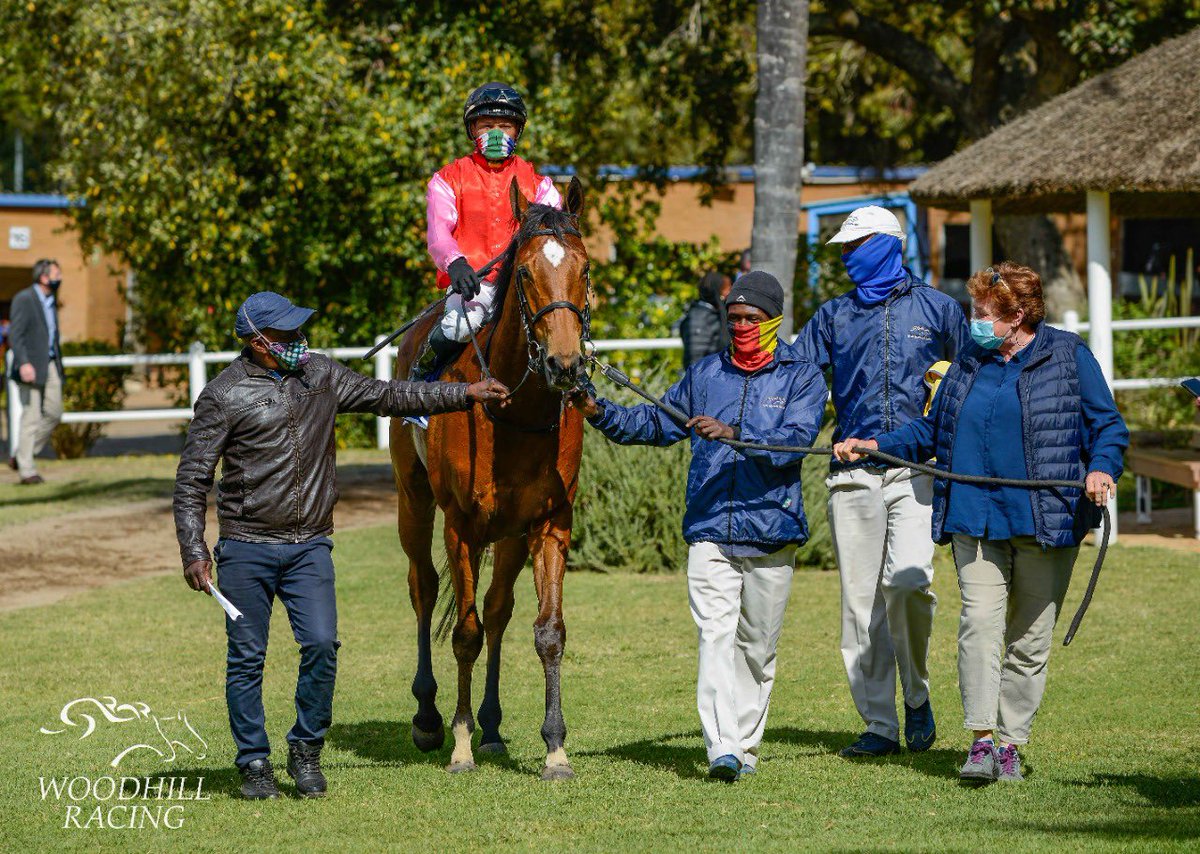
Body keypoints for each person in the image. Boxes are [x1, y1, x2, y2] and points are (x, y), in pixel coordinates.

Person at [173, 292, 508, 800]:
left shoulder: (321, 376)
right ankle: (254, 764)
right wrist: (194, 549)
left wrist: (466, 394)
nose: (297, 342)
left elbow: (392, 395)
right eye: (286, 335)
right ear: (257, 342)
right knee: (247, 660)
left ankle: (306, 752)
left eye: (298, 332)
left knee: (323, 646)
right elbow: (193, 477)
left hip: (310, 548)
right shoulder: (223, 395)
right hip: (246, 549)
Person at [834, 262, 1128, 783]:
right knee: (979, 626)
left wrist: (1101, 467)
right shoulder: (970, 360)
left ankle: (1012, 743)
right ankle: (981, 741)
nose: (975, 320)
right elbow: (931, 430)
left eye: (986, 313)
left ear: (1018, 316)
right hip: (975, 516)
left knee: (1029, 640)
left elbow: (1106, 425)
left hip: (1046, 518)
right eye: (976, 309)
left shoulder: (1067, 355)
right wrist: (877, 447)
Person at [570, 272, 828, 782]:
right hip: (709, 527)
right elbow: (653, 424)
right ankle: (722, 750)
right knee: (715, 635)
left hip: (773, 530)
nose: (741, 327)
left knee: (757, 648)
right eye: (733, 318)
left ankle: (747, 746)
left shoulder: (802, 377)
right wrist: (596, 410)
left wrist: (735, 433)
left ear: (774, 320)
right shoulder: (705, 374)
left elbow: (795, 443)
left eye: (751, 319)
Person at [794, 206, 969, 758]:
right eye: (844, 248)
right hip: (852, 476)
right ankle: (879, 726)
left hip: (919, 472)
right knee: (859, 607)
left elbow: (966, 391)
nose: (847, 255)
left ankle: (916, 695)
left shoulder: (940, 310)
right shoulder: (832, 316)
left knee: (908, 584)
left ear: (889, 243)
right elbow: (793, 376)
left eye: (856, 245)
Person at [413, 81, 562, 380]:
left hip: (524, 284)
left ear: (517, 131)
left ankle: (575, 384)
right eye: (486, 125)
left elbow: (554, 239)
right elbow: (439, 232)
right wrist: (455, 263)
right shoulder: (447, 178)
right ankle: (423, 380)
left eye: (505, 126)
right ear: (472, 130)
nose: (496, 134)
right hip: (474, 284)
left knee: (563, 322)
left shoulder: (541, 185)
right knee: (457, 327)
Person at [7, 259, 64, 484]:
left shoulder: (51, 300)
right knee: (30, 416)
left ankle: (22, 454)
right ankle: (27, 470)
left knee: (54, 412)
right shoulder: (24, 299)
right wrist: (23, 363)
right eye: (56, 273)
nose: (59, 278)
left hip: (50, 364)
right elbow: (16, 335)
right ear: (43, 276)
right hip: (29, 366)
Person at [679, 271, 732, 368]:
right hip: (704, 376)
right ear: (717, 291)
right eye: (726, 289)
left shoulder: (715, 314)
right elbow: (694, 359)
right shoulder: (699, 318)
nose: (729, 293)